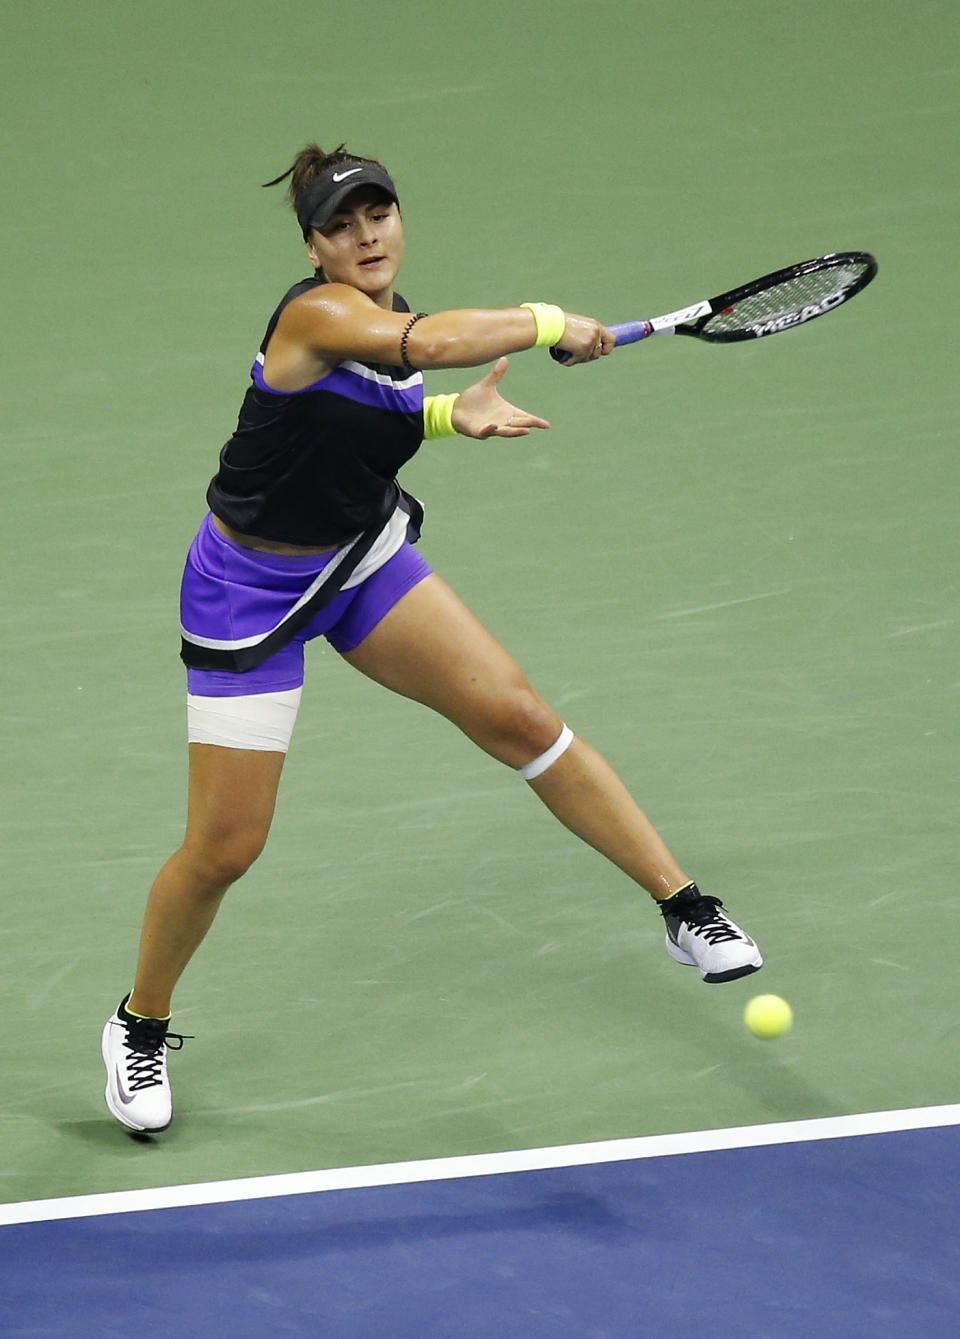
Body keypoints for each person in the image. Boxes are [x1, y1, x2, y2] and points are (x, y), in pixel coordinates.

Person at [102, 143, 762, 1134]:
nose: (366, 235)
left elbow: (381, 401)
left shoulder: (397, 320)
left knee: (519, 716)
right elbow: (426, 347)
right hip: (248, 593)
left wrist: (456, 418)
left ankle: (685, 907)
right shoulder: (316, 315)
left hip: (357, 559)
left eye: (379, 214)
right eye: (341, 224)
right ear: (314, 246)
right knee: (227, 846)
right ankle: (139, 1024)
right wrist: (551, 323)